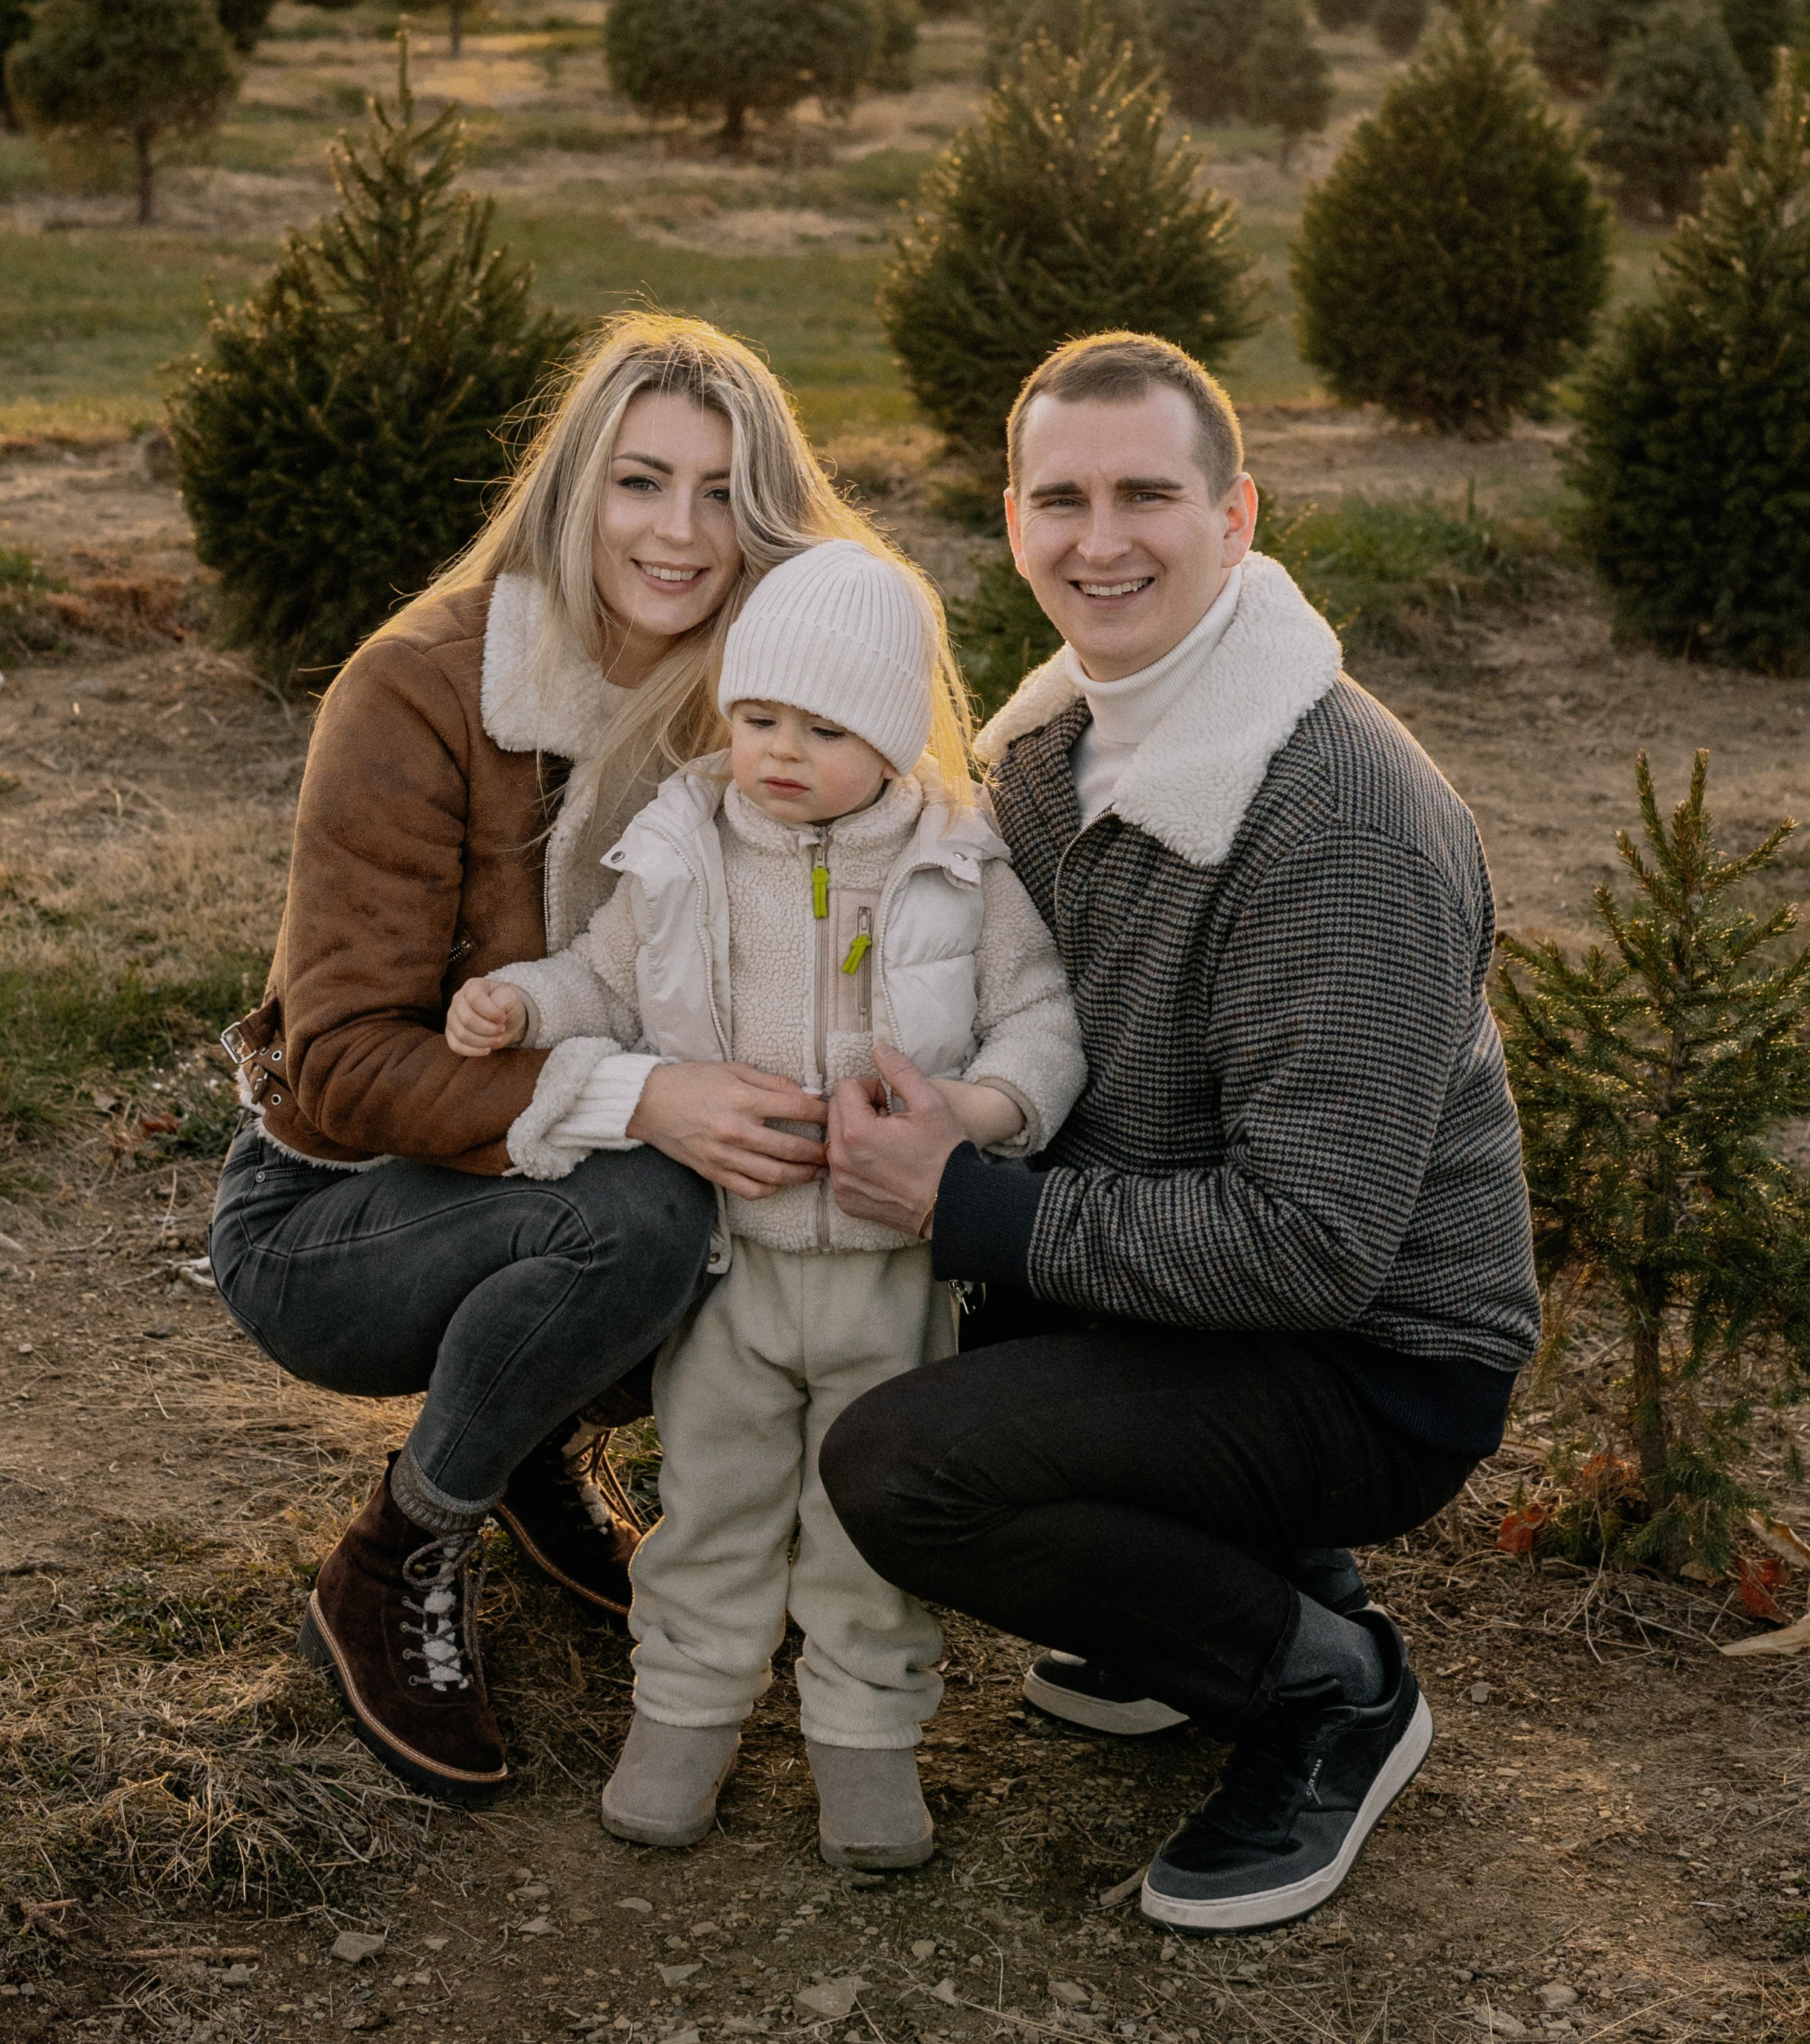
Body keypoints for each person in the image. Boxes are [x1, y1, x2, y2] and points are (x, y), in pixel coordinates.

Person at [818, 331, 1540, 1935]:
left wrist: (970, 1202)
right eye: (1060, 497)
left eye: (1148, 491)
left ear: (1238, 516)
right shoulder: (1051, 747)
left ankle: (1328, 1685)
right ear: (1012, 520)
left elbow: (1315, 1240)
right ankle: (1240, 1591)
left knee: (902, 1465)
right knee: (931, 1312)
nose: (1101, 537)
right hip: (1181, 1274)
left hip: (1377, 1355)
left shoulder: (1337, 815)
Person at [208, 314, 889, 1806]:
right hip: (334, 1213)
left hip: (565, 1174)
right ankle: (401, 1545)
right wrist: (641, 1092)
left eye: (722, 492)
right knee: (647, 1210)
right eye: (642, 481)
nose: (681, 531)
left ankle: (524, 1441)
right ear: (574, 486)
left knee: (766, 1193)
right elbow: (335, 1066)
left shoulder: (768, 694)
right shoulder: (423, 690)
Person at [444, 539, 1085, 1869]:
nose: (782, 752)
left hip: (894, 1275)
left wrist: (976, 1116)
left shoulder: (961, 865)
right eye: (758, 718)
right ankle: (683, 1713)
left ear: (899, 737)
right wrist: (526, 1004)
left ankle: (865, 1737)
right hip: (732, 1268)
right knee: (718, 1503)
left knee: (864, 1526)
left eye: (826, 727)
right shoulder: (685, 847)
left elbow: (1042, 1023)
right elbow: (604, 977)